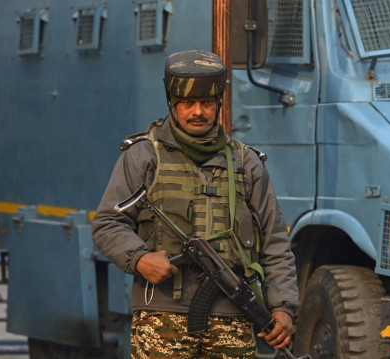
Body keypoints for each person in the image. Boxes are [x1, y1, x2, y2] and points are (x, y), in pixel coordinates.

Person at [92, 50, 299, 358]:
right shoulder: (144, 156)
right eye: (187, 103)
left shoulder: (247, 163)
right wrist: (140, 259)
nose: (197, 112)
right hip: (160, 320)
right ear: (173, 105)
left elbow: (275, 242)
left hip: (233, 318)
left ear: (219, 104)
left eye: (207, 103)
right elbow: (108, 223)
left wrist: (283, 307)